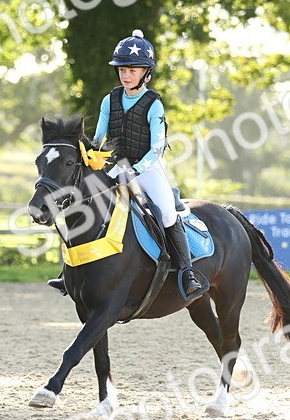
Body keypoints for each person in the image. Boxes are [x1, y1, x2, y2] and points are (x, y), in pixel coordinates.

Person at [47, 29, 209, 301]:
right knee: (83, 202)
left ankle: (187, 272)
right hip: (114, 166)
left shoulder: (153, 104)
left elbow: (157, 148)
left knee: (167, 214)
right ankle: (69, 271)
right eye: (122, 69)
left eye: (132, 70)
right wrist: (91, 153)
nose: (125, 74)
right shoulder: (109, 99)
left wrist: (134, 170)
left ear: (146, 73)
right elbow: (100, 136)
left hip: (147, 169)